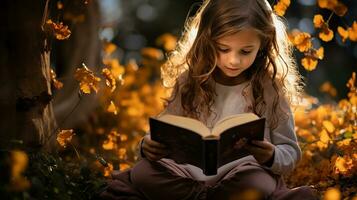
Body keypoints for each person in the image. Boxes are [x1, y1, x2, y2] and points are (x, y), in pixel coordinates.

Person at [100, 0, 319, 199]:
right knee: (142, 173)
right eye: (223, 49)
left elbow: (290, 152)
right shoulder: (190, 81)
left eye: (245, 51)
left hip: (242, 173)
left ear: (263, 44)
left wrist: (271, 155)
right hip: (186, 173)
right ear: (207, 40)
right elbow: (165, 129)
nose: (233, 60)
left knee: (257, 183)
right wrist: (147, 145)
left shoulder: (270, 88)